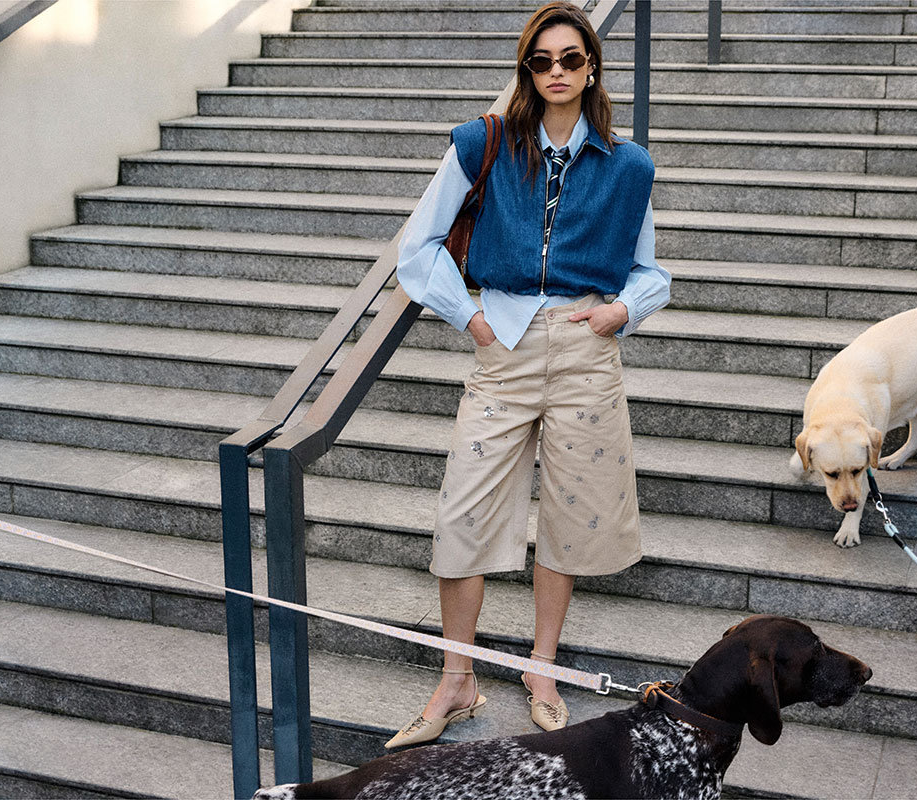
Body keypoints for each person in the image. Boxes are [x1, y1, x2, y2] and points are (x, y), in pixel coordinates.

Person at [387, 0, 671, 749]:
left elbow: (650, 269)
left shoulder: (629, 164)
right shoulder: (482, 144)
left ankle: (540, 668)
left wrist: (623, 311)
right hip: (503, 344)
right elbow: (415, 249)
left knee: (571, 521)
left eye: (570, 59)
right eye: (540, 61)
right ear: (525, 69)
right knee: (463, 513)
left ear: (591, 67)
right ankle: (458, 679)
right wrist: (472, 320)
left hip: (586, 348)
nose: (555, 72)